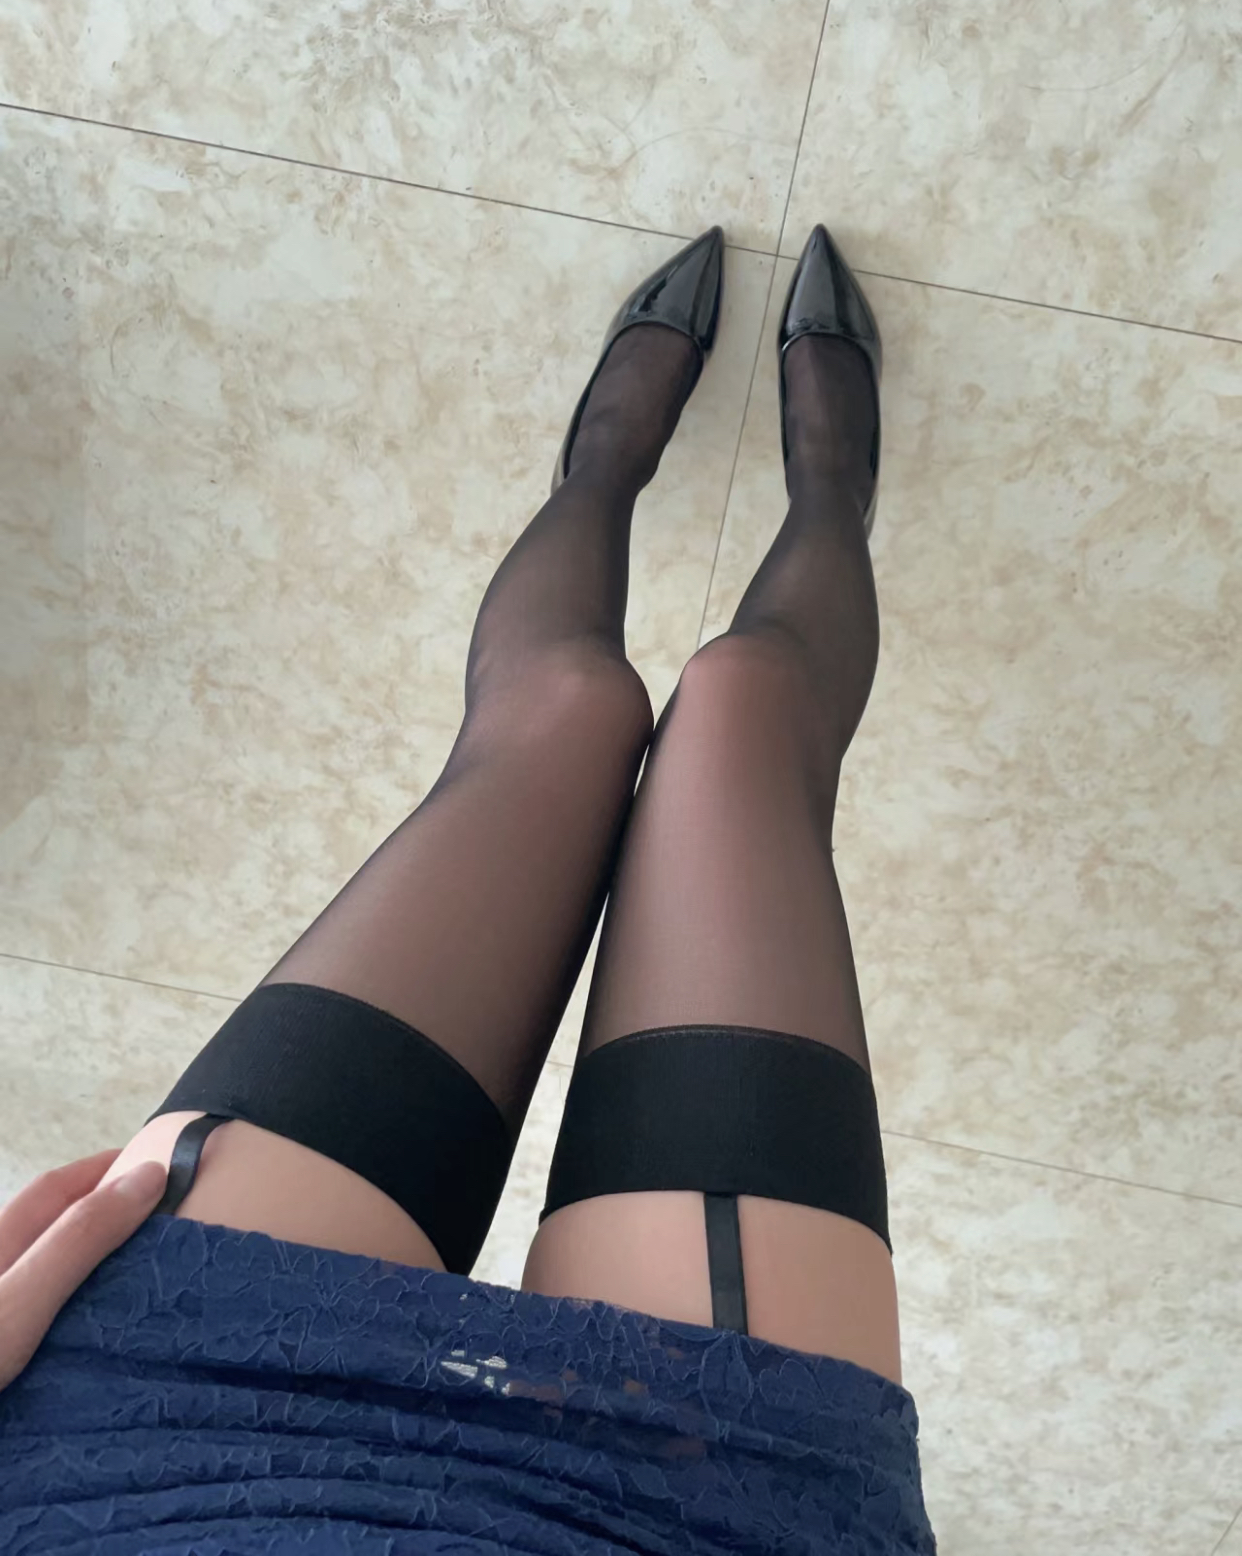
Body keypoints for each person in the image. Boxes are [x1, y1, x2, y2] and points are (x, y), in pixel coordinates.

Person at [0, 225, 936, 1553]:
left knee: (564, 705)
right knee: (743, 707)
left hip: (142, 1440)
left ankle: (603, 463)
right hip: (688, 1514)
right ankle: (832, 487)